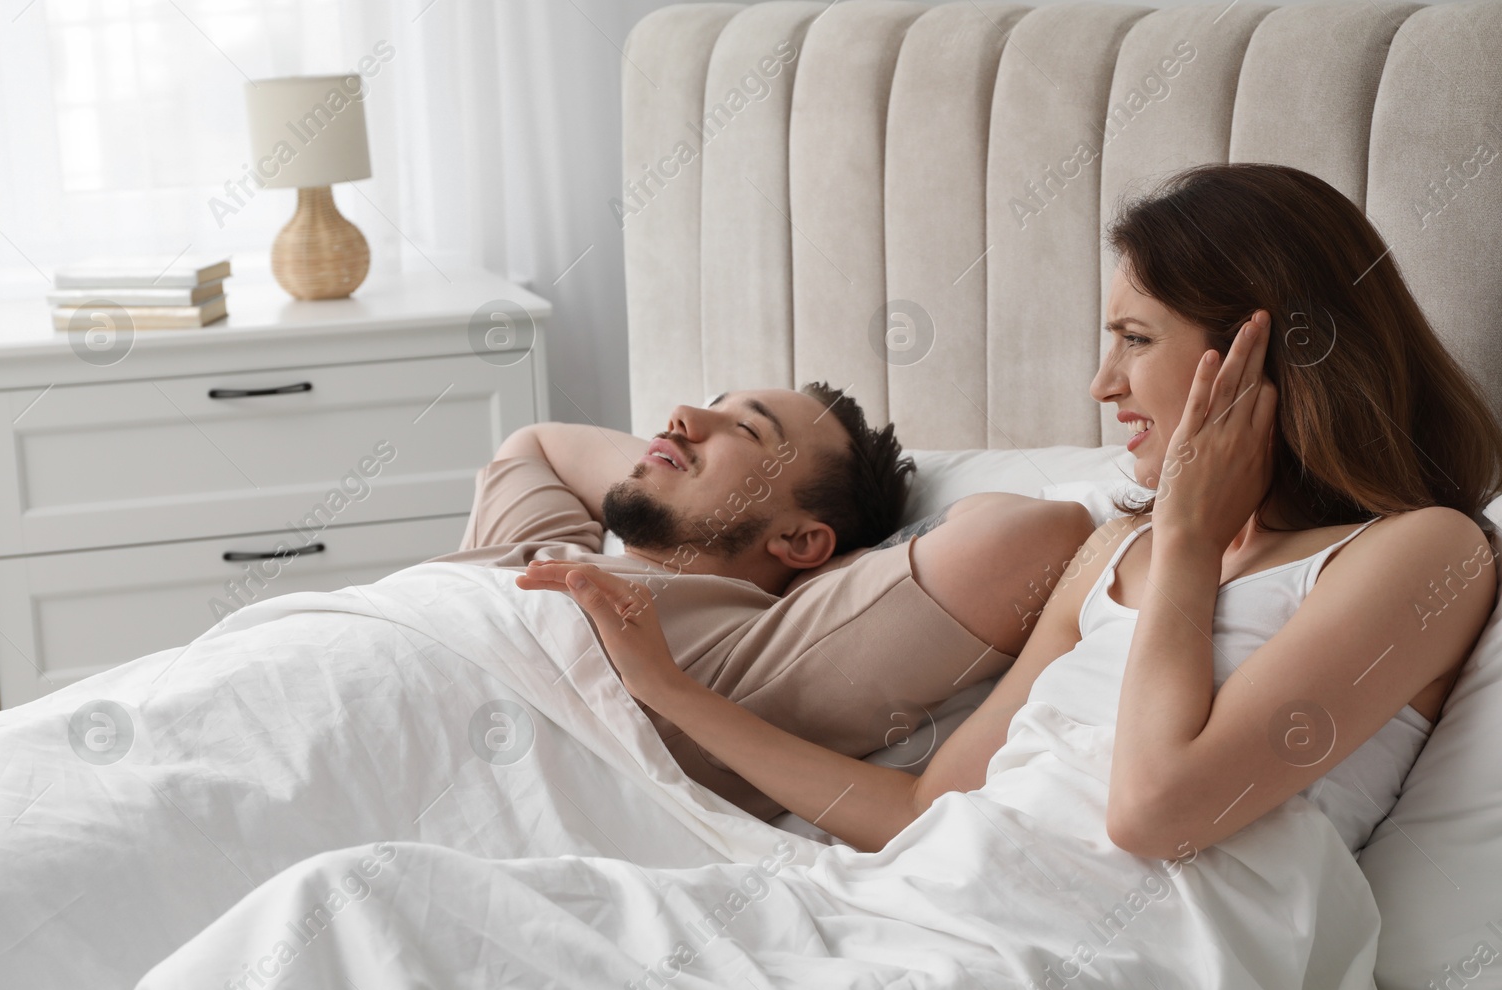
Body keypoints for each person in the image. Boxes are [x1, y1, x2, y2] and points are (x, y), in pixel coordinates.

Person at [522, 162, 1502, 857]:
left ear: (1264, 352)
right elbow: (923, 809)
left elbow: (1155, 815)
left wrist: (1195, 540)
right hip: (939, 901)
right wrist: (670, 690)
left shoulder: (1423, 552)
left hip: (1127, 963)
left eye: (1132, 338)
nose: (1101, 383)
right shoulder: (1114, 551)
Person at [440, 382, 1094, 819]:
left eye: (747, 430)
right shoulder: (543, 553)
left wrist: (831, 569)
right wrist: (676, 456)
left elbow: (1039, 534)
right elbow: (535, 444)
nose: (683, 418)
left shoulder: (750, 649)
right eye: (709, 404)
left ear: (803, 542)